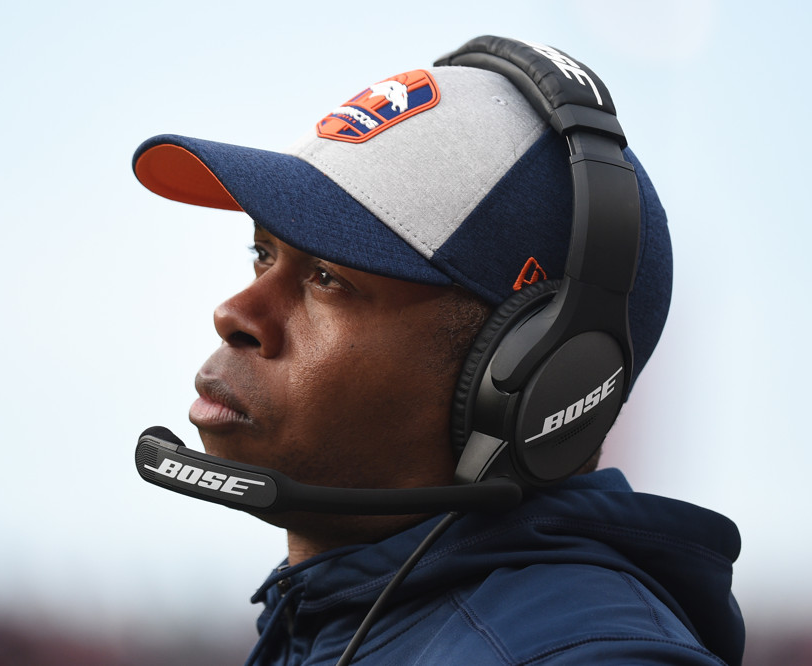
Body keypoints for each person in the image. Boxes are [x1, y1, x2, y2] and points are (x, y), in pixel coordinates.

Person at [132, 37, 744, 666]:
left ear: (532, 375)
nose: (235, 313)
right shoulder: (338, 618)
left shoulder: (590, 658)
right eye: (263, 254)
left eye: (328, 278)